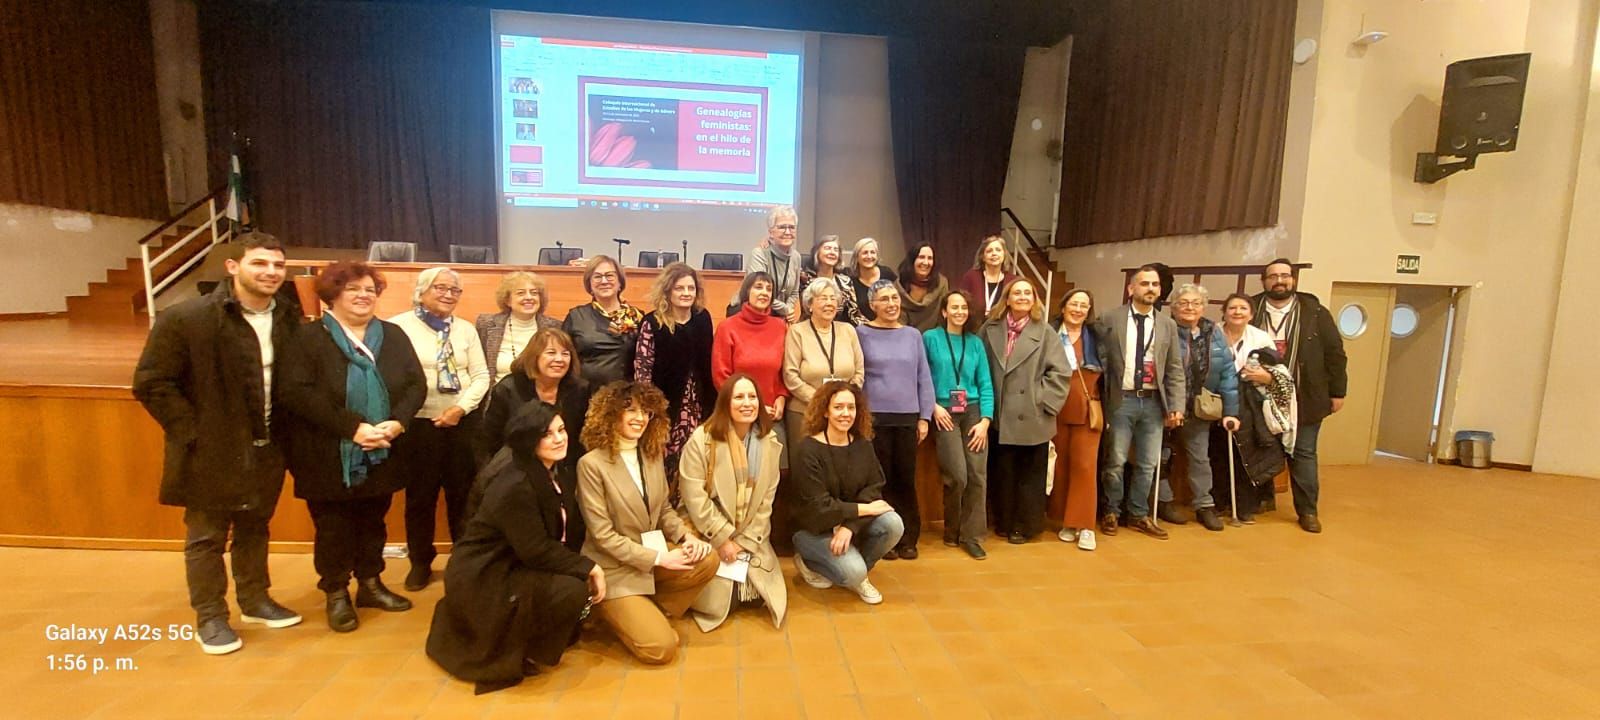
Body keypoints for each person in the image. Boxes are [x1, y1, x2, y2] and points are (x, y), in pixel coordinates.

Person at [132, 232, 303, 655]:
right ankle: (210, 616)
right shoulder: (186, 318)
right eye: (260, 263)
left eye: (278, 265)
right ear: (233, 267)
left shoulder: (288, 317)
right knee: (207, 537)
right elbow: (152, 383)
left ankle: (255, 599)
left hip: (268, 443)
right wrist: (193, 432)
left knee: (254, 528)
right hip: (210, 448)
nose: (271, 272)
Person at [278, 261, 425, 632]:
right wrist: (353, 428)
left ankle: (371, 584)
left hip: (383, 448)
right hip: (328, 451)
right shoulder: (308, 338)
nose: (363, 296)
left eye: (370, 290)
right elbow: (297, 393)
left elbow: (414, 385)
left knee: (374, 521)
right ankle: (336, 592)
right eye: (353, 289)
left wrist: (398, 422)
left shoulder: (392, 335)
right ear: (332, 295)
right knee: (333, 526)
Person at [425, 403, 605, 694]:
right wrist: (589, 567)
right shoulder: (515, 482)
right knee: (573, 589)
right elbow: (535, 550)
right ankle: (520, 650)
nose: (559, 439)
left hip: (512, 560)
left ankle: (530, 640)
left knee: (571, 588)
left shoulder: (548, 469)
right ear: (528, 438)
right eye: (547, 434)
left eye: (561, 430)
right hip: (484, 574)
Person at [577, 381, 718, 664]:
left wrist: (686, 538)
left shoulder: (651, 454)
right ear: (610, 413)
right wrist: (659, 558)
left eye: (646, 412)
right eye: (630, 410)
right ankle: (606, 611)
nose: (640, 418)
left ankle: (648, 610)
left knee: (709, 557)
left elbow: (664, 509)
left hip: (647, 559)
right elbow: (603, 537)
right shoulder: (591, 465)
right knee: (662, 649)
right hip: (614, 569)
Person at [389, 267, 491, 592]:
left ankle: (462, 562)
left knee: (463, 495)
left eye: (454, 290)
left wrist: (460, 409)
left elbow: (481, 376)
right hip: (418, 425)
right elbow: (394, 379)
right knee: (420, 497)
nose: (448, 294)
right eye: (440, 288)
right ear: (421, 291)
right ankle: (420, 561)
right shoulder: (397, 327)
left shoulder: (465, 330)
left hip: (462, 423)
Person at [678, 374, 788, 631]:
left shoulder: (770, 443)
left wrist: (743, 542)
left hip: (750, 534)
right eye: (739, 397)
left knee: (759, 595)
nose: (747, 403)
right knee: (722, 601)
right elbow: (694, 496)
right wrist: (723, 539)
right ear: (725, 403)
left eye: (752, 397)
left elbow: (766, 504)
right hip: (710, 532)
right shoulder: (702, 440)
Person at [1251, 259, 1347, 533]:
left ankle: (1307, 511)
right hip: (1259, 394)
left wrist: (1338, 391)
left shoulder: (1314, 311)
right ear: (1264, 281)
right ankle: (1261, 500)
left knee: (1303, 452)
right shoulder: (1252, 308)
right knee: (1262, 448)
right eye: (1273, 276)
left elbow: (1335, 354)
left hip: (1305, 396)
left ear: (1293, 280)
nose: (1279, 281)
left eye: (1285, 276)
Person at [789, 381, 904, 604]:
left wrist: (849, 527)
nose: (846, 413)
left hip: (848, 525)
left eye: (851, 408)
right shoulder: (807, 450)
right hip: (814, 529)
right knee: (851, 572)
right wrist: (863, 510)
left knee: (893, 524)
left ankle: (857, 571)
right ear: (825, 411)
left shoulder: (862, 444)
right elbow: (818, 508)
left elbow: (874, 486)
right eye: (838, 407)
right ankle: (809, 562)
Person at [1093, 265, 1186, 540]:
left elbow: (1175, 368)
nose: (1150, 289)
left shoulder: (1167, 324)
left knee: (1148, 463)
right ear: (1131, 288)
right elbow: (1098, 359)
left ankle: (1138, 513)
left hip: (1154, 402)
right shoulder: (1110, 319)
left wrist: (1176, 404)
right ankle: (1111, 510)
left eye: (1155, 285)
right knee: (1116, 460)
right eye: (1144, 284)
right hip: (1121, 400)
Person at [980, 278, 1070, 544]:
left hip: (1032, 416)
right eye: (1016, 292)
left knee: (1029, 476)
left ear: (1034, 299)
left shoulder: (1045, 332)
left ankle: (1025, 525)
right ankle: (1004, 521)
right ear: (1007, 299)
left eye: (1027, 293)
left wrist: (1042, 401)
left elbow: (1061, 373)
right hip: (999, 415)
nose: (1021, 297)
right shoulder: (990, 328)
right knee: (1003, 472)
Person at [857, 280, 935, 559]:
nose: (891, 304)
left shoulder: (913, 335)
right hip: (873, 419)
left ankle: (908, 537)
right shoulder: (860, 333)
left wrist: (924, 417)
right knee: (880, 481)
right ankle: (884, 537)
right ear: (872, 305)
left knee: (904, 479)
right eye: (884, 299)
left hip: (906, 418)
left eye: (894, 298)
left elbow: (923, 378)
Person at [1155, 284, 1241, 532]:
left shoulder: (1213, 332)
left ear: (1203, 306)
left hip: (1199, 407)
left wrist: (1231, 412)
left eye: (1195, 303)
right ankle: (1164, 501)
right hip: (1167, 405)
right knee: (1162, 456)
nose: (1189, 307)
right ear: (1174, 307)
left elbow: (1227, 373)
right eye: (1183, 303)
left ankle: (1204, 505)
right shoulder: (1165, 328)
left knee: (1200, 458)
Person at [923, 290, 994, 559]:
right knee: (958, 475)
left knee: (977, 475)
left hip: (973, 411)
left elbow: (985, 383)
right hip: (943, 411)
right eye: (954, 307)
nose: (959, 312)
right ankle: (952, 527)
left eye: (964, 307)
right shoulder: (930, 339)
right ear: (944, 312)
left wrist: (986, 420)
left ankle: (971, 535)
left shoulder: (975, 343)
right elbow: (923, 376)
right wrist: (932, 406)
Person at [633, 262, 716, 495]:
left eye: (691, 288)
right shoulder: (653, 322)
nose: (686, 293)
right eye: (680, 288)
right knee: (663, 466)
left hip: (698, 406)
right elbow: (643, 367)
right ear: (668, 291)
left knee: (695, 462)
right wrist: (649, 409)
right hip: (664, 408)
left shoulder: (702, 318)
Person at [1214, 293, 1286, 522]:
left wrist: (1263, 375)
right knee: (1218, 453)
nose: (1237, 312)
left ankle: (1245, 505)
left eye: (1242, 308)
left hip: (1250, 403)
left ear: (1251, 314)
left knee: (1246, 453)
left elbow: (1276, 372)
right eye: (1232, 308)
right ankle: (1220, 502)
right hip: (1215, 398)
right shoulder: (1212, 332)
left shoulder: (1261, 338)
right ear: (1224, 312)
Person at [781, 278, 865, 469]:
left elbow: (859, 371)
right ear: (810, 304)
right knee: (808, 470)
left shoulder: (848, 330)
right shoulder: (797, 331)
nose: (829, 303)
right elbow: (790, 375)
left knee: (841, 468)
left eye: (832, 298)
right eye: (822, 298)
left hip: (842, 413)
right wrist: (823, 401)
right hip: (805, 412)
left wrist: (841, 400)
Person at [1046, 289, 1105, 550]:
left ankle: (1086, 526)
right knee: (1060, 467)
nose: (1078, 309)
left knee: (1085, 466)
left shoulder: (1097, 336)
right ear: (1063, 306)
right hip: (1055, 407)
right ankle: (1067, 521)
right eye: (1074, 303)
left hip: (1087, 407)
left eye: (1084, 305)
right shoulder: (1049, 332)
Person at [479, 327, 589, 466]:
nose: (559, 359)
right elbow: (490, 439)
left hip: (566, 466)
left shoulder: (579, 389)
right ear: (535, 357)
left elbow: (580, 438)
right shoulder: (508, 388)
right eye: (551, 353)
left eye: (565, 354)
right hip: (516, 467)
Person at [712, 272, 790, 452]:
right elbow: (720, 376)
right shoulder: (728, 327)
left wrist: (782, 396)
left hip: (771, 413)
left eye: (769, 289)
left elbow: (784, 370)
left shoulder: (779, 326)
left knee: (778, 471)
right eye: (758, 287)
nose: (764, 293)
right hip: (737, 412)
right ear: (746, 292)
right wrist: (751, 404)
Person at [563, 255, 643, 387]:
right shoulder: (576, 317)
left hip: (625, 397)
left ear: (620, 282)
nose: (604, 281)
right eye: (597, 277)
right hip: (585, 396)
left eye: (609, 275)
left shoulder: (637, 317)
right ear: (590, 285)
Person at [476, 271, 561, 386]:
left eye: (534, 293)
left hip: (540, 398)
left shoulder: (555, 327)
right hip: (498, 398)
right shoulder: (487, 325)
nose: (529, 297)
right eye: (521, 293)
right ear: (507, 300)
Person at [747, 205, 804, 321]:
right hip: (754, 313)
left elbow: (794, 292)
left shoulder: (796, 257)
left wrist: (788, 309)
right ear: (771, 232)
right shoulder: (759, 254)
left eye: (792, 227)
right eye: (782, 227)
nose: (788, 232)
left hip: (781, 315)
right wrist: (786, 310)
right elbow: (759, 292)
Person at [801, 234, 865, 325]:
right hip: (809, 329)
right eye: (827, 248)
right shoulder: (805, 279)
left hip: (837, 330)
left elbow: (854, 314)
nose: (832, 252)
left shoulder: (845, 281)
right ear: (817, 252)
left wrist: (872, 329)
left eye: (836, 250)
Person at [957, 234, 1017, 316]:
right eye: (989, 251)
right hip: (975, 326)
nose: (994, 253)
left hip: (1002, 327)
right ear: (983, 257)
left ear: (1004, 255)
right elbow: (960, 302)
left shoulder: (1013, 281)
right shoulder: (971, 276)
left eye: (998, 250)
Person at [894, 242, 949, 331]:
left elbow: (944, 317)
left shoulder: (942, 284)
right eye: (921, 257)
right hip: (906, 338)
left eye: (930, 258)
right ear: (912, 260)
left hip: (934, 339)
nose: (926, 262)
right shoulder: (898, 287)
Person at [847, 237, 896, 322]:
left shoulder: (887, 273)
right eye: (865, 253)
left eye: (872, 252)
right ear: (856, 257)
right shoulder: (849, 279)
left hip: (888, 324)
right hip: (861, 328)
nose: (869, 256)